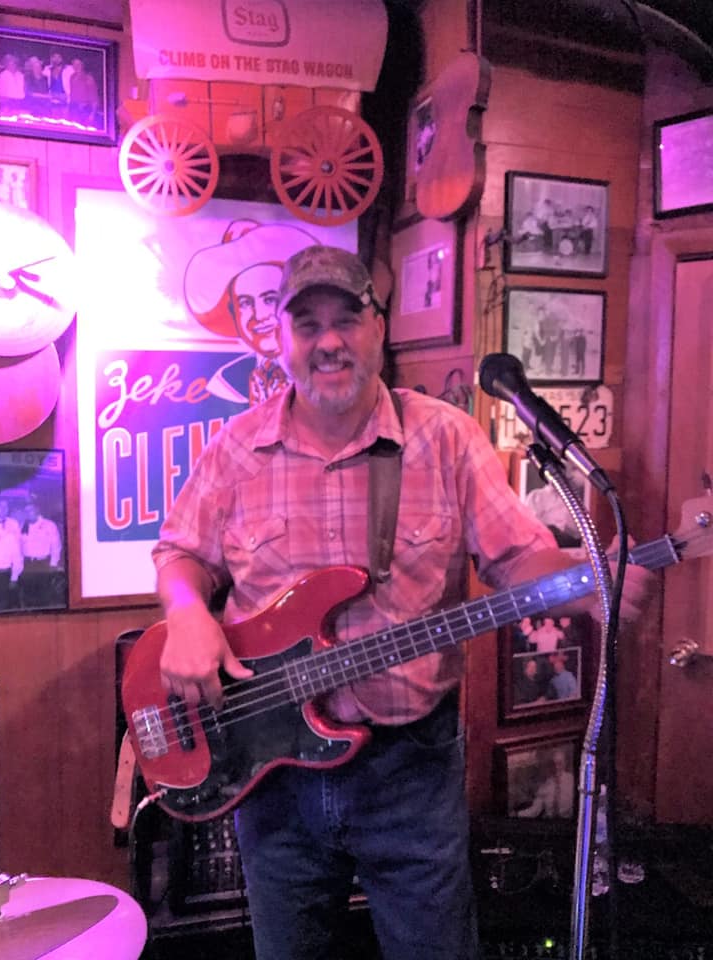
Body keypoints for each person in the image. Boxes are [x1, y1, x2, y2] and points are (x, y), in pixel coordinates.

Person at [152, 245, 650, 960]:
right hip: (272, 771)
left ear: (379, 329)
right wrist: (187, 614)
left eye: (346, 320)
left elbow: (517, 558)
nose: (328, 341)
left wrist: (588, 582)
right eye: (307, 325)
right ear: (281, 342)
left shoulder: (445, 438)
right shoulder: (236, 448)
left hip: (409, 772)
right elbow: (181, 553)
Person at [184, 220, 318, 405]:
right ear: (233, 313)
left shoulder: (326, 370)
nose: (259, 316)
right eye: (245, 303)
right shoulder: (225, 383)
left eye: (270, 299)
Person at [19, 500, 63, 608]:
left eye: (31, 510)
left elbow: (56, 546)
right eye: (26, 511)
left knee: (44, 596)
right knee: (28, 595)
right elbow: (20, 546)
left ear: (37, 510)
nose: (28, 513)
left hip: (43, 563)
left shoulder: (49, 525)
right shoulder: (23, 526)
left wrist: (53, 564)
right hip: (28, 565)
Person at [516, 748, 576, 819]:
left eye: (560, 763)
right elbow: (534, 810)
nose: (556, 767)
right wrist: (517, 814)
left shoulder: (573, 781)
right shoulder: (544, 785)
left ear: (565, 763)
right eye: (553, 764)